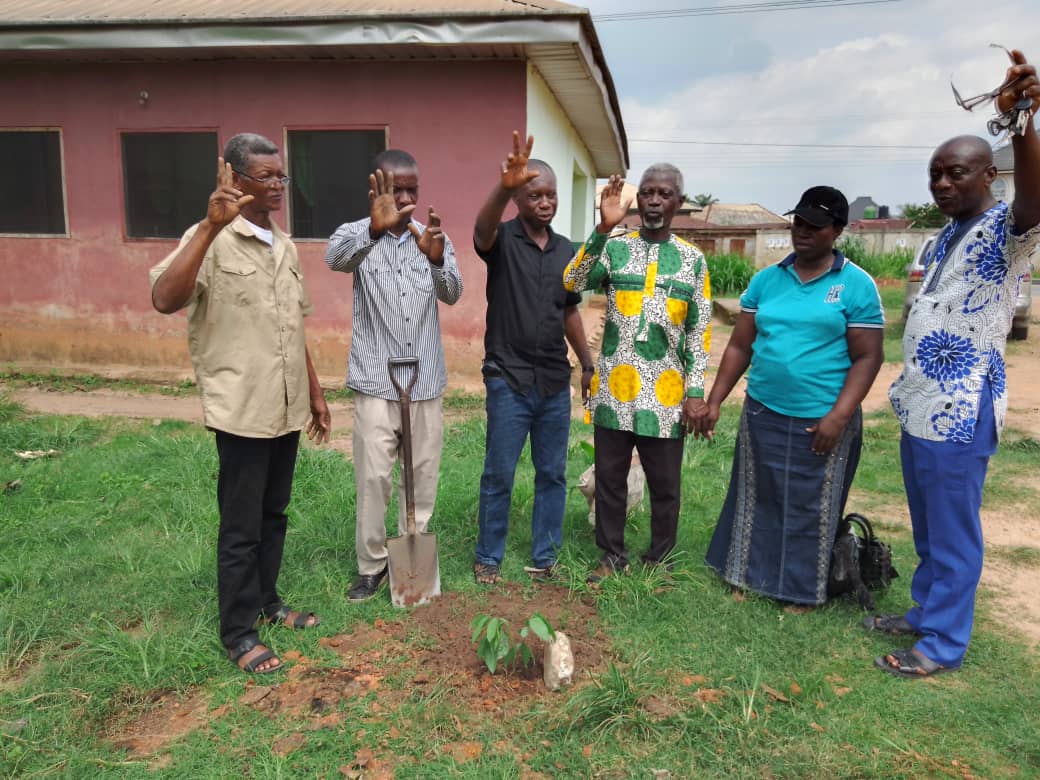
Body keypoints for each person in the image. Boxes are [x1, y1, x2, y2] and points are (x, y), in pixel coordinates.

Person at [871, 51, 1040, 678]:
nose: (943, 184)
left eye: (957, 173)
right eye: (935, 174)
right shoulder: (941, 235)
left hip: (963, 407)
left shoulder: (1007, 228)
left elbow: (1034, 199)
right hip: (922, 402)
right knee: (928, 520)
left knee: (954, 528)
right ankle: (924, 611)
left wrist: (1023, 123)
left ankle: (942, 641)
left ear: (988, 177)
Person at [150, 133, 331, 675]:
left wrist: (316, 393)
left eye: (282, 176)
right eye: (266, 176)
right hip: (242, 408)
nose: (277, 186)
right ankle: (238, 632)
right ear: (231, 176)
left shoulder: (286, 245)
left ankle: (267, 602)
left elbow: (292, 326)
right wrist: (209, 227)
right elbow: (164, 298)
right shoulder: (209, 239)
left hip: (285, 405)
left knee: (274, 514)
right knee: (241, 525)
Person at [696, 186, 885, 606]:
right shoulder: (767, 280)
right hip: (763, 410)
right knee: (756, 496)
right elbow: (740, 346)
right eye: (798, 222)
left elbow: (869, 358)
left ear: (837, 230)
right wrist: (715, 399)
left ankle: (800, 591)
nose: (803, 231)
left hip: (822, 418)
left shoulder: (855, 285)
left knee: (810, 507)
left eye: (815, 226)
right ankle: (746, 575)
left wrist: (840, 415)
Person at [563, 166, 711, 584]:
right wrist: (602, 228)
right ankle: (611, 555)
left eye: (664, 194)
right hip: (615, 389)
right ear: (638, 199)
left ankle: (659, 558)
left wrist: (695, 393)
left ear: (678, 203)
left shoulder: (692, 261)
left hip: (666, 396)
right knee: (610, 480)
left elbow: (699, 334)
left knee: (665, 485)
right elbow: (571, 282)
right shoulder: (615, 248)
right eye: (647, 193)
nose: (654, 201)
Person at [326, 149, 463, 602]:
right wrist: (373, 228)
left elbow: (454, 294)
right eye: (395, 189)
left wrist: (438, 261)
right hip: (375, 380)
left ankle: (412, 560)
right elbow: (336, 260)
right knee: (374, 477)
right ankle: (371, 567)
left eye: (411, 190)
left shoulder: (433, 237)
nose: (404, 198)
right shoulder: (356, 233)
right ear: (377, 187)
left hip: (424, 381)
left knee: (421, 476)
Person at [471, 132, 594, 585]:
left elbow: (570, 310)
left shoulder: (566, 251)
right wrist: (502, 187)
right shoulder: (500, 240)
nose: (544, 203)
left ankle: (545, 555)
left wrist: (587, 362)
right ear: (518, 199)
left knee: (553, 473)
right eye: (533, 195)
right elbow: (480, 231)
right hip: (508, 377)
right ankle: (488, 555)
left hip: (552, 381)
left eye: (551, 195)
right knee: (499, 472)